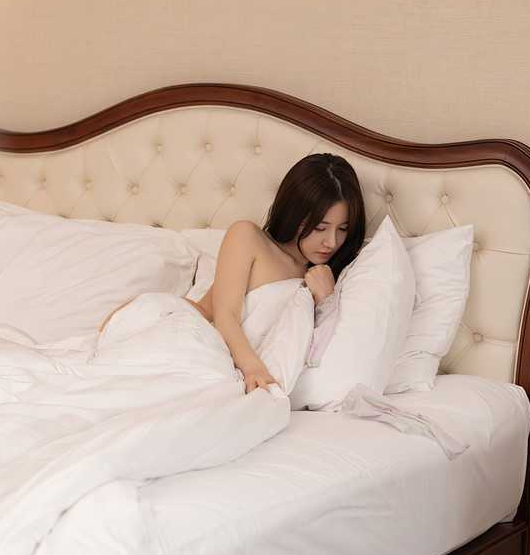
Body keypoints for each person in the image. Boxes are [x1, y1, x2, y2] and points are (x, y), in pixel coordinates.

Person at [98, 152, 366, 393]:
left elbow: (322, 355)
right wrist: (254, 369)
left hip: (233, 365)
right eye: (320, 228)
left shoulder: (329, 276)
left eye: (343, 229)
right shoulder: (249, 237)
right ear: (295, 213)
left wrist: (327, 301)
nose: (331, 242)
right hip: (194, 334)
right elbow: (224, 316)